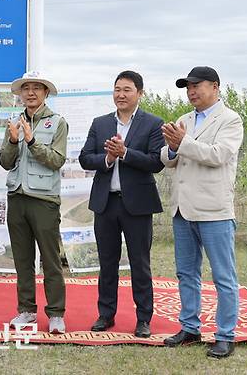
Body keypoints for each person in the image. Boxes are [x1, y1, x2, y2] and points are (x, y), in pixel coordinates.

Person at [160, 66, 243, 358]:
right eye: (187, 87)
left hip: (214, 210)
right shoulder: (184, 119)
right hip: (183, 209)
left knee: (223, 276)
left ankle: (225, 335)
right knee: (186, 273)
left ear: (216, 87)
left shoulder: (230, 120)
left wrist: (182, 143)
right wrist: (171, 148)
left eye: (197, 85)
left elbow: (218, 155)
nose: (191, 91)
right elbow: (168, 158)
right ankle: (190, 327)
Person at [78, 70, 165, 338]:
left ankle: (143, 318)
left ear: (140, 93)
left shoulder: (152, 123)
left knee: (140, 262)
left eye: (127, 89)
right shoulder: (101, 123)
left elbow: (156, 162)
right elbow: (84, 158)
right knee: (107, 262)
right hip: (106, 203)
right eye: (117, 89)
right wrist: (107, 159)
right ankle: (106, 314)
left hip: (137, 204)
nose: (121, 94)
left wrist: (125, 153)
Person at [0, 71, 69, 334]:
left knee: (50, 260)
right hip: (17, 196)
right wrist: (14, 140)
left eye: (36, 88)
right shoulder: (13, 122)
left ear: (45, 93)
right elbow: (5, 162)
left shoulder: (57, 122)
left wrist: (32, 140)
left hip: (44, 199)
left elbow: (56, 160)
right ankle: (26, 310)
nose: (30, 92)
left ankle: (56, 314)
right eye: (25, 88)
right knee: (22, 259)